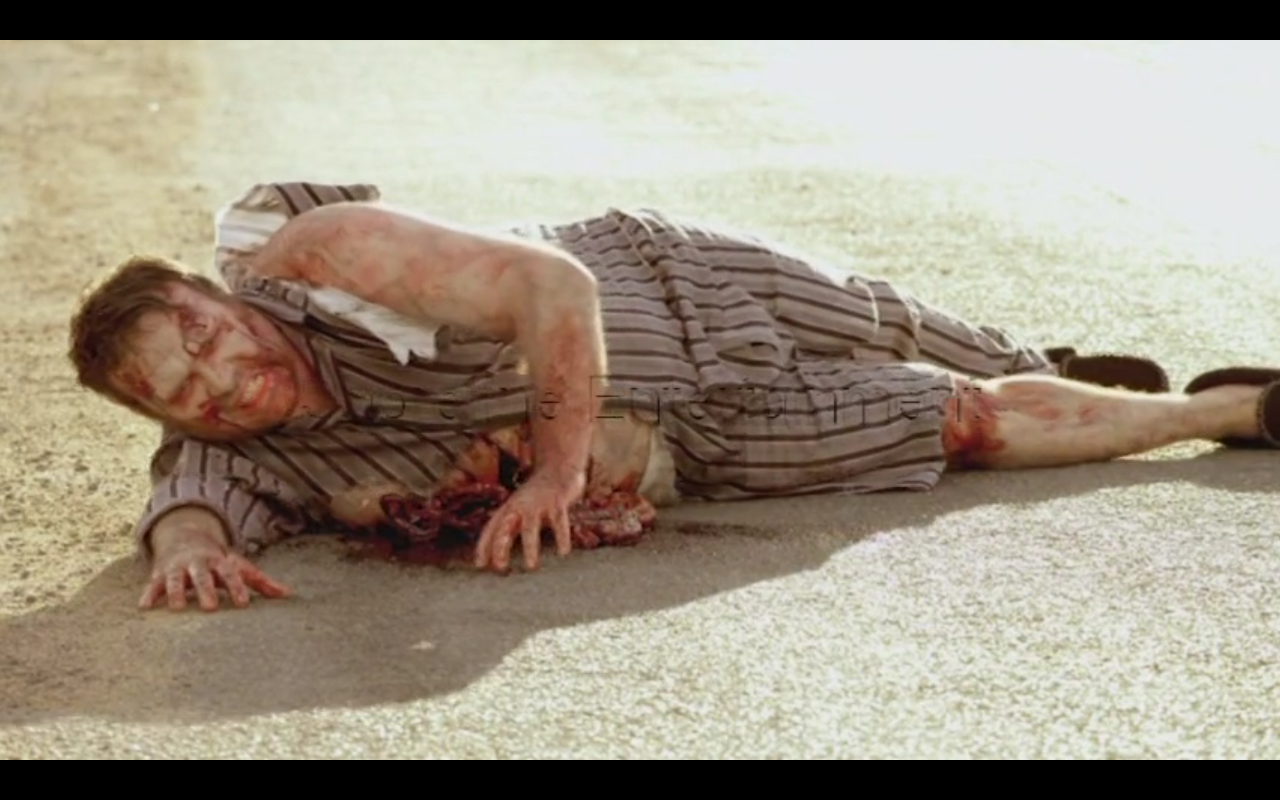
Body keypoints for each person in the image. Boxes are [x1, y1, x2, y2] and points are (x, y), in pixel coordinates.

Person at [67, 181, 1280, 613]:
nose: (228, 382)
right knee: (951, 416)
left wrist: (553, 470)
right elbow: (194, 496)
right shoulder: (246, 450)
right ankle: (1223, 412)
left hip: (664, 288)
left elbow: (551, 285)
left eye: (208, 339)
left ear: (216, 294)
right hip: (706, 437)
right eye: (191, 394)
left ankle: (1042, 352)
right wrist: (186, 546)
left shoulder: (322, 259)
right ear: (172, 415)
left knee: (886, 321)